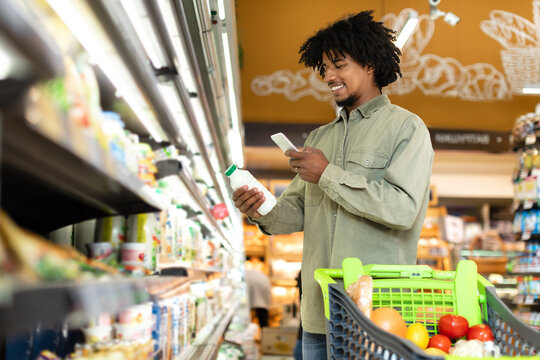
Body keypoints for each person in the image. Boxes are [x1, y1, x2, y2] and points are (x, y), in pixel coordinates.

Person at [232, 10, 433, 359]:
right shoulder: (319, 138)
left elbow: (403, 209)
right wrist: (259, 208)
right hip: (319, 314)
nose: (329, 76)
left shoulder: (407, 129)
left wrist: (327, 174)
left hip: (377, 315)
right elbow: (292, 214)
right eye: (324, 68)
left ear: (369, 64)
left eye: (338, 65)